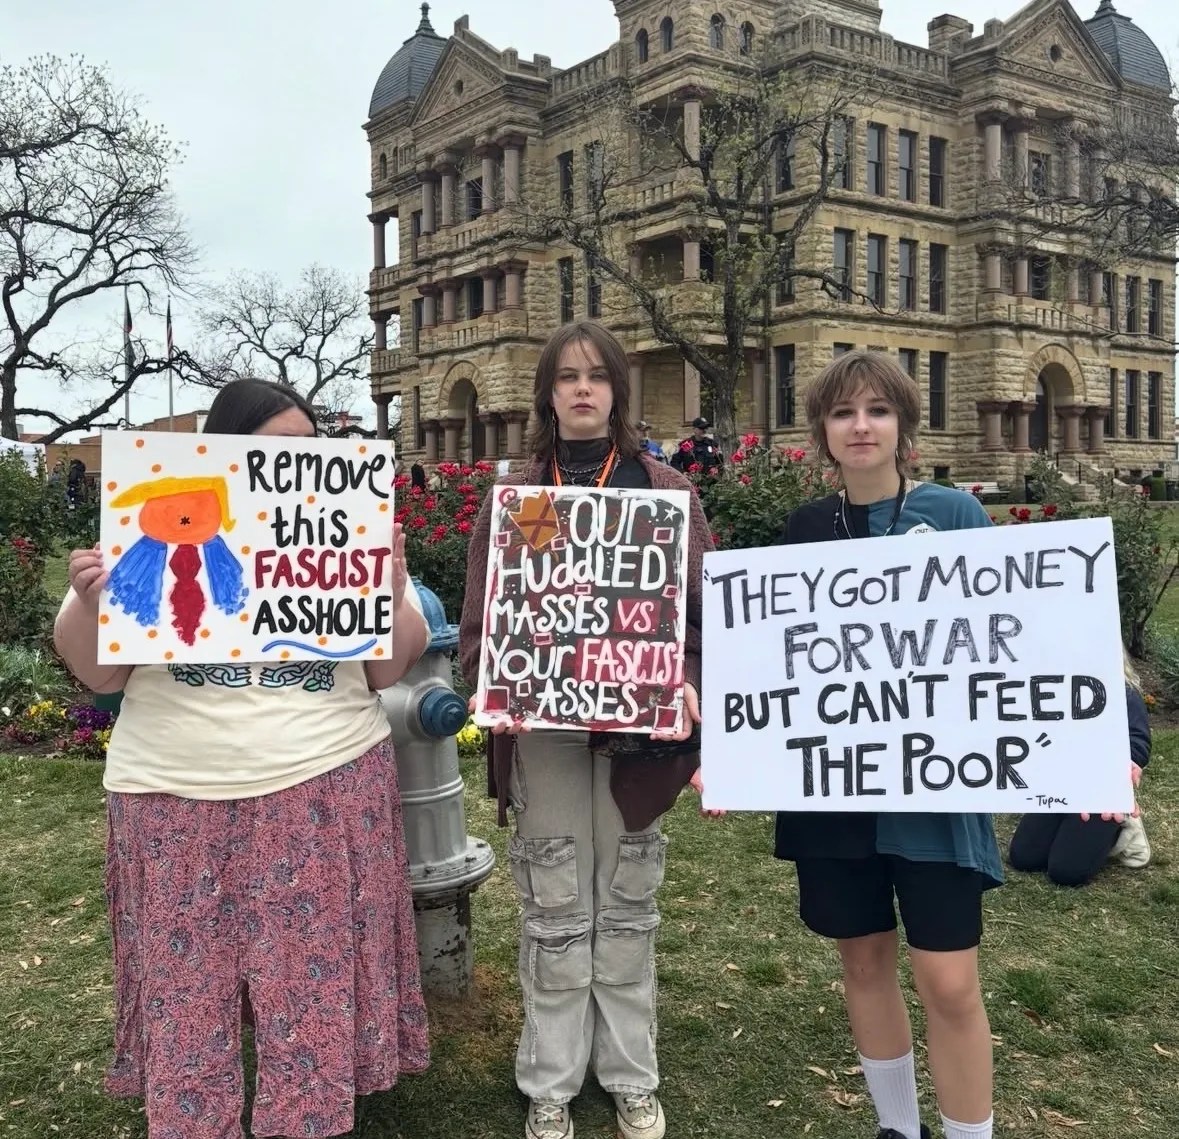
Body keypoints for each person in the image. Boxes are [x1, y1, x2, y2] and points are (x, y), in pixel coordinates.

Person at [54, 377, 430, 1139]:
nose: (286, 466)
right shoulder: (144, 530)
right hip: (172, 789)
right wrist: (94, 598)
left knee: (310, 993)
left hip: (321, 777)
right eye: (265, 452)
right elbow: (97, 673)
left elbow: (391, 669)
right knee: (184, 990)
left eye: (302, 451)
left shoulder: (350, 536)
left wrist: (389, 591)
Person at [459, 321, 713, 1139]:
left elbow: (703, 622)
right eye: (566, 376)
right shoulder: (516, 500)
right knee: (556, 900)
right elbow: (478, 622)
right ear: (547, 392)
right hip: (548, 733)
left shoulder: (665, 491)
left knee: (628, 899)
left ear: (616, 391)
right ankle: (550, 1077)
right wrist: (491, 684)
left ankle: (630, 1074)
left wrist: (689, 686)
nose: (581, 389)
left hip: (640, 739)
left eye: (595, 376)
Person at [775, 351, 999, 1139]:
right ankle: (896, 1128)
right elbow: (781, 663)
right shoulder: (804, 529)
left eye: (876, 409)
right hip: (834, 787)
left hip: (933, 789)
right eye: (842, 413)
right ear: (823, 434)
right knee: (863, 960)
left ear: (903, 424)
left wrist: (1113, 742)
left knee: (947, 979)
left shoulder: (954, 514)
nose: (859, 425)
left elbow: (1019, 640)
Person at [1008, 659, 1152, 885]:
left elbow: (1138, 741)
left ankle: (1121, 828)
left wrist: (1125, 764)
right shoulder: (1049, 688)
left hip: (1099, 791)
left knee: (1066, 872)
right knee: (1024, 858)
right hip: (1060, 784)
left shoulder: (1123, 692)